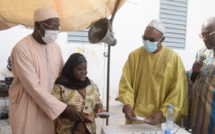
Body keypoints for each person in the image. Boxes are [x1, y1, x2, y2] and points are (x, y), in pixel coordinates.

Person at [9, 7, 83, 134]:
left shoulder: (56, 48)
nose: (55, 31)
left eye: (57, 28)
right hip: (28, 107)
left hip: (51, 109)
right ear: (38, 25)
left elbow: (63, 77)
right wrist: (62, 108)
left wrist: (87, 89)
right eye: (51, 27)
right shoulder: (21, 49)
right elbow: (33, 87)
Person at [116, 20, 188, 125]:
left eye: (152, 39)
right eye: (145, 38)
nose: (147, 42)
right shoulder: (135, 56)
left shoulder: (173, 59)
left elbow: (177, 92)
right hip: (136, 118)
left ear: (162, 39)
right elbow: (126, 84)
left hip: (160, 121)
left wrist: (163, 113)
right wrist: (126, 105)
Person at [52, 53, 108, 134]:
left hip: (90, 131)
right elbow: (54, 107)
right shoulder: (60, 87)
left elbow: (97, 101)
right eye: (80, 69)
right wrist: (69, 112)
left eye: (85, 69)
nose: (84, 72)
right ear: (71, 69)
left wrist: (99, 108)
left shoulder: (91, 84)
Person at [190, 17, 215, 134]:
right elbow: (194, 80)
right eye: (202, 35)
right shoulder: (202, 52)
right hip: (195, 121)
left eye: (208, 35)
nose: (204, 39)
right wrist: (195, 72)